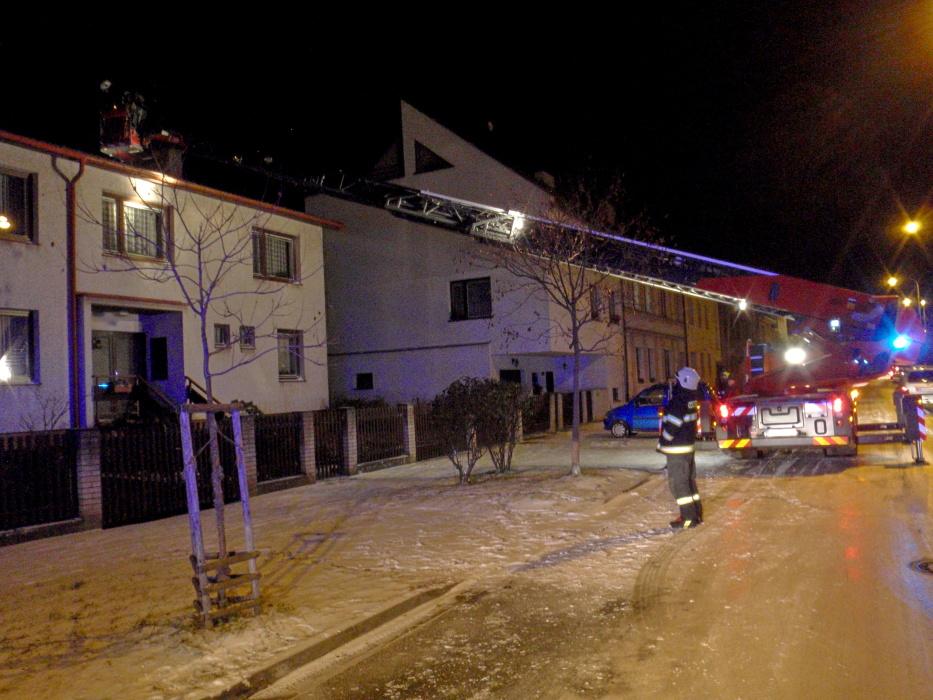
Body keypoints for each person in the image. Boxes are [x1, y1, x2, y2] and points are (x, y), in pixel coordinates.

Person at [658, 366, 703, 529]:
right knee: (689, 482)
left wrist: (663, 441)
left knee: (678, 485)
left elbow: (672, 427)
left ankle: (688, 518)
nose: (674, 383)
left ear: (683, 382)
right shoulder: (691, 401)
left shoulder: (678, 402)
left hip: (677, 450)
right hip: (687, 448)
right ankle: (696, 514)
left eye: (677, 380)